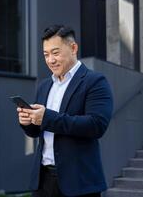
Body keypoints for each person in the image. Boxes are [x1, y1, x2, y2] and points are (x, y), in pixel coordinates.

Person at [17, 25, 113, 197]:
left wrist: (46, 117)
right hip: (43, 181)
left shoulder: (95, 81)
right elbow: (38, 130)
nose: (50, 60)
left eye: (55, 52)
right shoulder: (44, 85)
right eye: (46, 55)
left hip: (79, 182)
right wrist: (28, 122)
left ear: (73, 48)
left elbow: (97, 125)